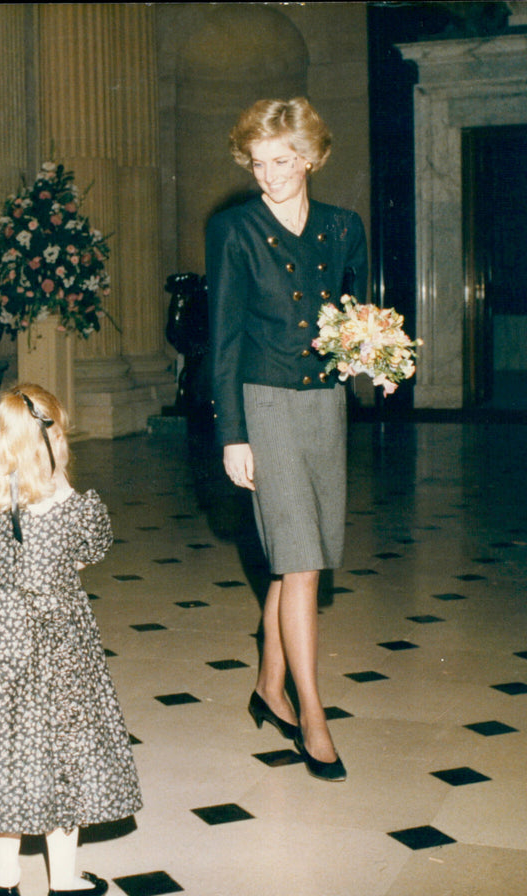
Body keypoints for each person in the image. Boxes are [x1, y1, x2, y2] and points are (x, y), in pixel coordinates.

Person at [205, 98, 368, 782]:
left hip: (325, 403)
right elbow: (224, 336)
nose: (269, 176)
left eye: (283, 161)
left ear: (310, 158)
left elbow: (357, 315)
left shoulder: (342, 227)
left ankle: (268, 685)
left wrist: (372, 361)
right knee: (300, 561)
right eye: (258, 163)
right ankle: (313, 715)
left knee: (301, 557)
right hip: (264, 401)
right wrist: (231, 434)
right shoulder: (235, 229)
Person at [0, 384, 142, 896]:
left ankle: (6, 880)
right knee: (63, 752)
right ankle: (64, 881)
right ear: (54, 441)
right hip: (59, 640)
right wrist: (60, 484)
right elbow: (89, 552)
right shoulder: (73, 506)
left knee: (2, 749)